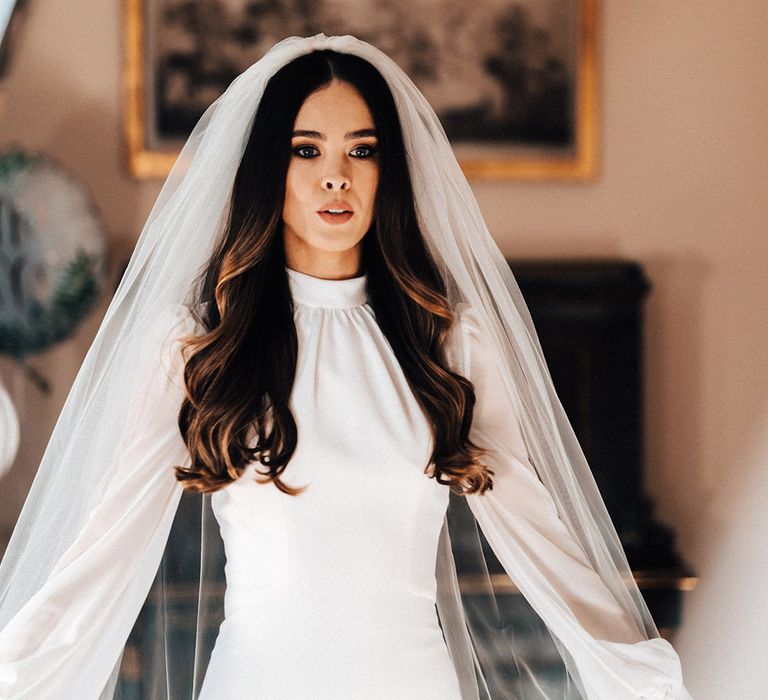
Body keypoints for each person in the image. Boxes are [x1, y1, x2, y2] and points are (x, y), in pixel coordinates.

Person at [0, 34, 693, 699]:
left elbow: (541, 535)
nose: (337, 175)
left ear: (388, 169)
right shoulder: (198, 345)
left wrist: (642, 676)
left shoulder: (449, 345)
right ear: (269, 168)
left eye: (362, 150)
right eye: (307, 150)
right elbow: (105, 549)